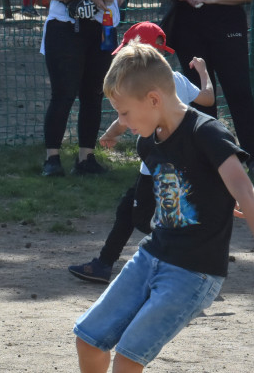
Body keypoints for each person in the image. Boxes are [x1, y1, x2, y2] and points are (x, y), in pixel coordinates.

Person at [54, 40, 254, 373]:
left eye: (124, 114)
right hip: (152, 256)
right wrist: (119, 128)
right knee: (88, 338)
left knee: (128, 357)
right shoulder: (153, 135)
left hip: (193, 272)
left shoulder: (207, 133)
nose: (121, 124)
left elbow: (244, 189)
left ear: (154, 100)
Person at [68, 22, 214, 283]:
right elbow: (207, 99)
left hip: (155, 168)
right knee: (130, 210)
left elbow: (125, 119)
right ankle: (104, 264)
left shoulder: (141, 88)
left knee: (143, 219)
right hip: (174, 165)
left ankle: (190, 257)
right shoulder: (177, 80)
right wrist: (203, 72)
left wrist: (111, 134)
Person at [162, 0, 254, 178]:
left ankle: (253, 158)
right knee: (201, 94)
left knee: (238, 90)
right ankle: (212, 156)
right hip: (189, 31)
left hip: (227, 30)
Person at [38, 0, 129, 177]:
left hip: (101, 30)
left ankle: (86, 158)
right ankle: (52, 159)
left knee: (94, 94)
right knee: (63, 94)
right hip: (66, 29)